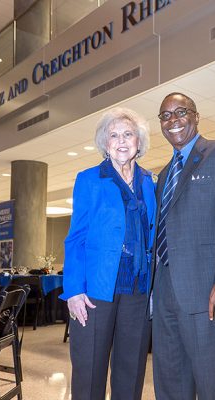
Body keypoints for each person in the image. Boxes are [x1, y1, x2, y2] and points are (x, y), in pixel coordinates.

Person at [150, 92, 215, 400]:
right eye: (165, 115)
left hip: (209, 290)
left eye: (180, 112)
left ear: (196, 116)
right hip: (165, 290)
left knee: (213, 384)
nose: (173, 120)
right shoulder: (164, 174)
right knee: (170, 382)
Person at [60, 108, 156, 400]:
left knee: (131, 370)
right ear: (105, 143)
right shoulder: (89, 179)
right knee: (89, 369)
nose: (121, 141)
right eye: (114, 135)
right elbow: (76, 238)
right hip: (95, 290)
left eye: (128, 134)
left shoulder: (149, 182)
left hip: (138, 288)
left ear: (139, 141)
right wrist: (74, 290)